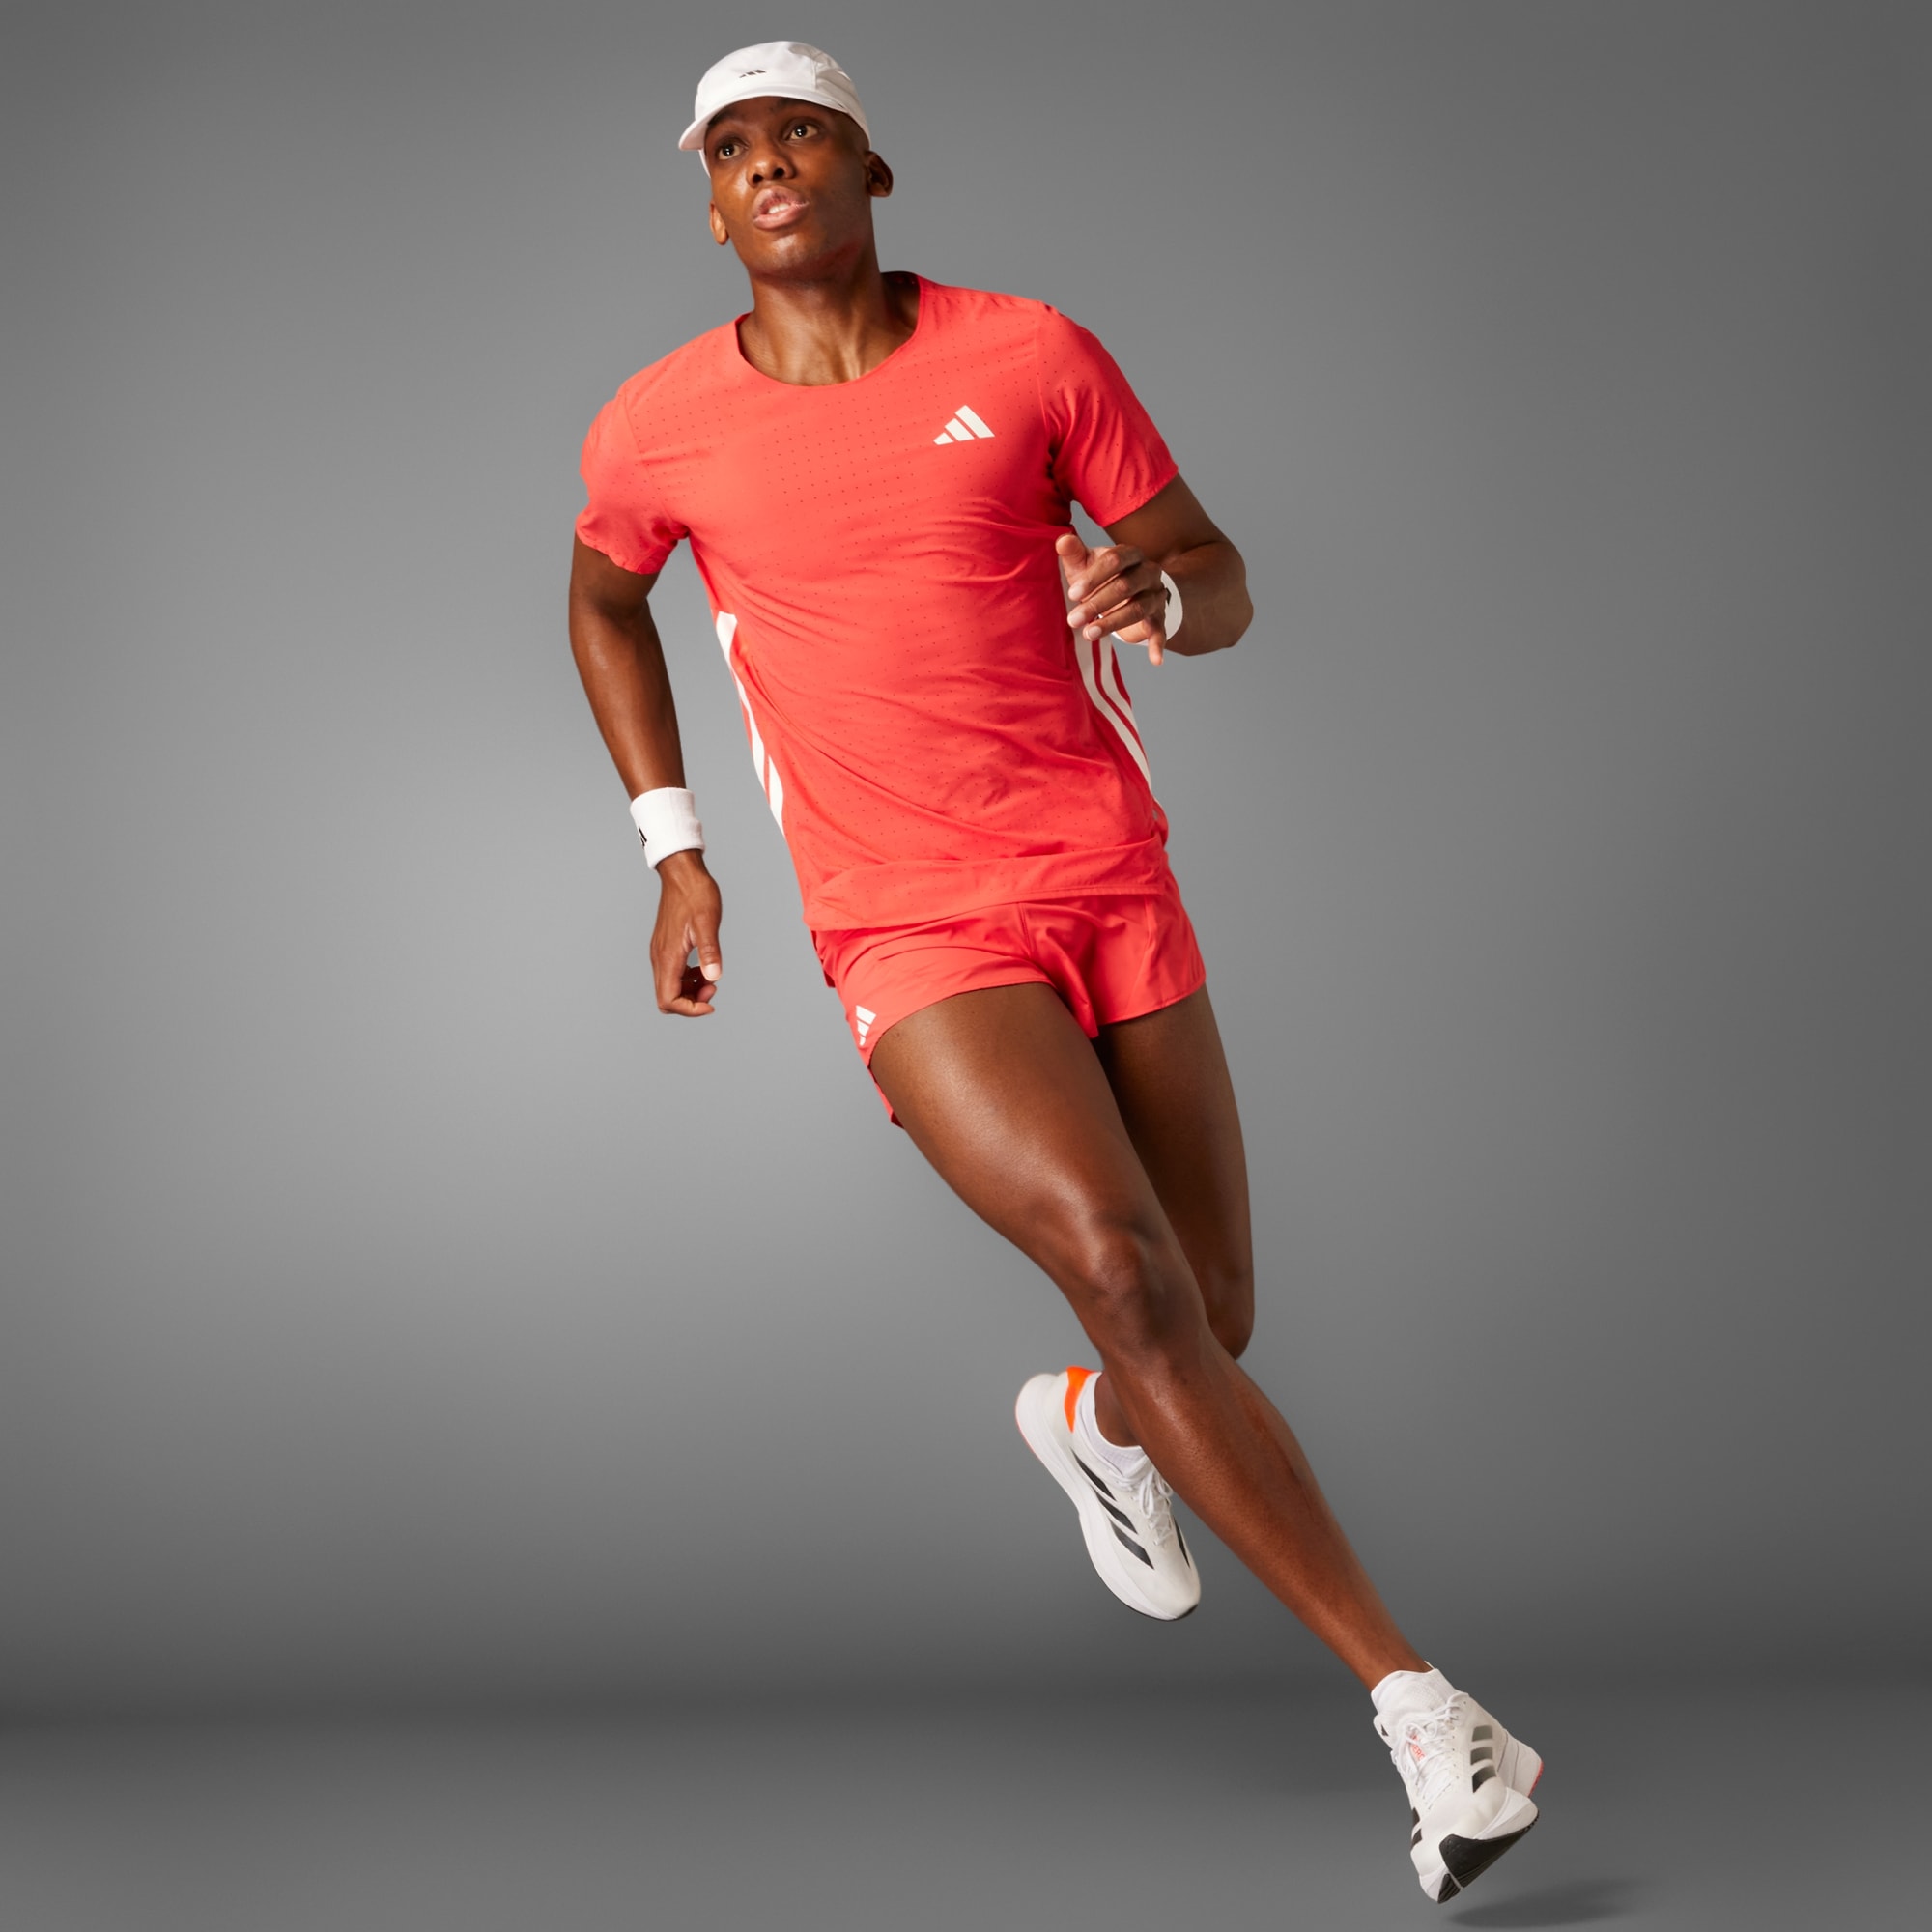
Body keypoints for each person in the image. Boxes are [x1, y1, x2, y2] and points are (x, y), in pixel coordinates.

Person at [568, 41, 1542, 1904]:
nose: (769, 162)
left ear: (872, 169)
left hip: (1104, 873)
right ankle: (1428, 1715)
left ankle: (1092, 1425)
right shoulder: (657, 425)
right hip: (907, 918)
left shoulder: (1029, 355)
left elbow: (1215, 568)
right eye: (733, 146)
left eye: (803, 132)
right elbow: (604, 598)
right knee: (1118, 1266)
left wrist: (1159, 595)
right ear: (710, 205)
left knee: (1204, 1320)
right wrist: (672, 849)